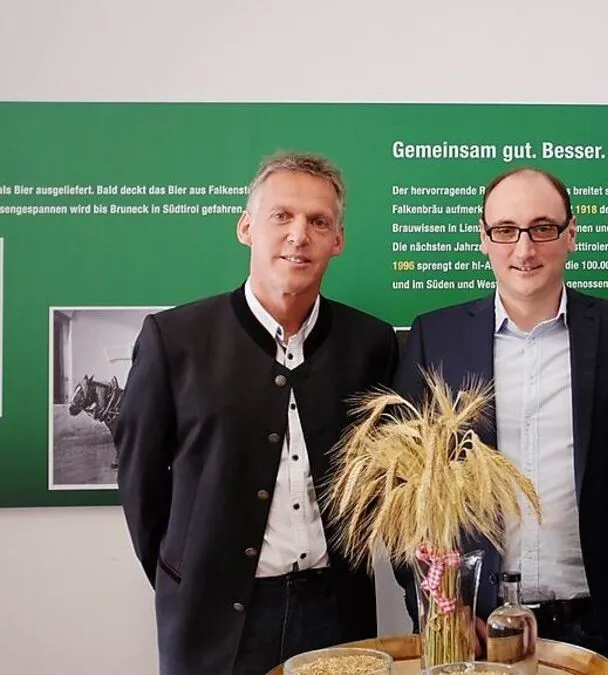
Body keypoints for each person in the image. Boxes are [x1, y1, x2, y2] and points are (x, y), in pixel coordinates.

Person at [115, 151, 399, 675]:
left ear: (338, 240)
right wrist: (184, 578)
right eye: (281, 216)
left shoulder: (370, 343)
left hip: (336, 614)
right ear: (246, 227)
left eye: (318, 222)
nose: (299, 235)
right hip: (214, 623)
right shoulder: (174, 340)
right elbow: (141, 483)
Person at [393, 166, 608, 675]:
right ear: (484, 239)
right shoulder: (435, 338)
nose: (524, 249)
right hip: (475, 629)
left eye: (543, 228)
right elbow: (400, 494)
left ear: (571, 234)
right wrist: (443, 605)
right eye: (506, 230)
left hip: (601, 628)